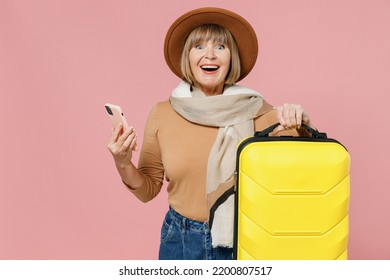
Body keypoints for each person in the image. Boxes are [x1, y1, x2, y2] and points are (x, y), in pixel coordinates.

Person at [107, 7, 313, 260]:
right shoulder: (163, 113)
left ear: (231, 58)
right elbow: (148, 190)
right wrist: (122, 162)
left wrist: (300, 121)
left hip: (242, 240)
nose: (210, 55)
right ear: (188, 56)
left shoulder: (258, 111)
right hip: (179, 240)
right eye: (199, 47)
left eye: (220, 47)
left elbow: (299, 170)